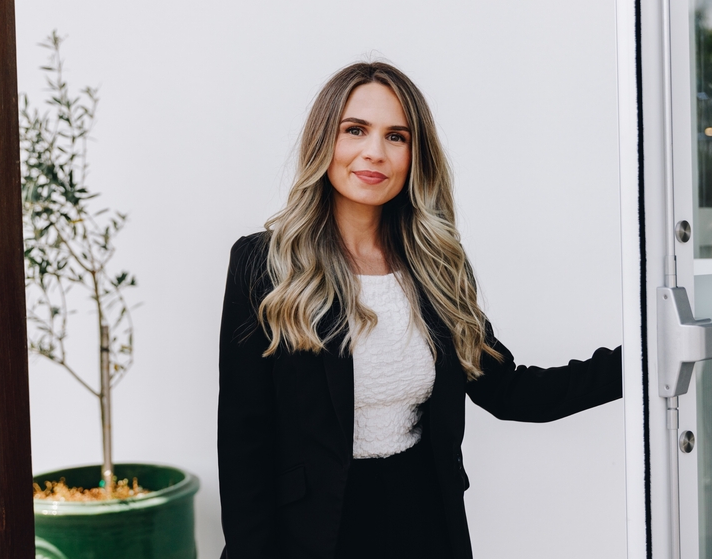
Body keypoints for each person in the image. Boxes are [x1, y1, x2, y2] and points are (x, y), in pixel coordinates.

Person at [218, 62, 622, 559]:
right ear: (325, 140)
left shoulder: (435, 264)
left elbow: (510, 391)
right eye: (355, 130)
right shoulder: (266, 264)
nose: (374, 152)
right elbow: (244, 442)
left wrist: (641, 360)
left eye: (396, 136)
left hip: (423, 518)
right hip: (312, 532)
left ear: (415, 154)